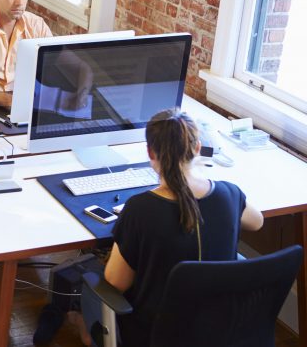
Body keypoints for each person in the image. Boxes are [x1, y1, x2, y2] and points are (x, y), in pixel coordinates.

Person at [81, 108, 264, 346]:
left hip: (154, 334)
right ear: (198, 148)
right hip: (219, 329)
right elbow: (256, 222)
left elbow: (116, 282)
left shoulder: (139, 209)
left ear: (150, 152)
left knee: (84, 325)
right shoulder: (228, 193)